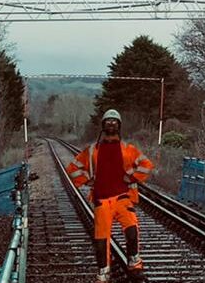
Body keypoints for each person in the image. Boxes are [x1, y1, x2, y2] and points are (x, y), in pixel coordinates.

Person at [65, 109, 155, 281]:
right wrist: (86, 180)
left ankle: (135, 265)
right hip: (102, 201)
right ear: (103, 125)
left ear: (119, 126)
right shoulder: (92, 151)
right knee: (101, 240)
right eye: (108, 121)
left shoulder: (128, 149)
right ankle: (103, 272)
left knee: (132, 232)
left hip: (123, 199)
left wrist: (132, 177)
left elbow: (147, 164)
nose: (111, 124)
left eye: (115, 121)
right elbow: (73, 168)